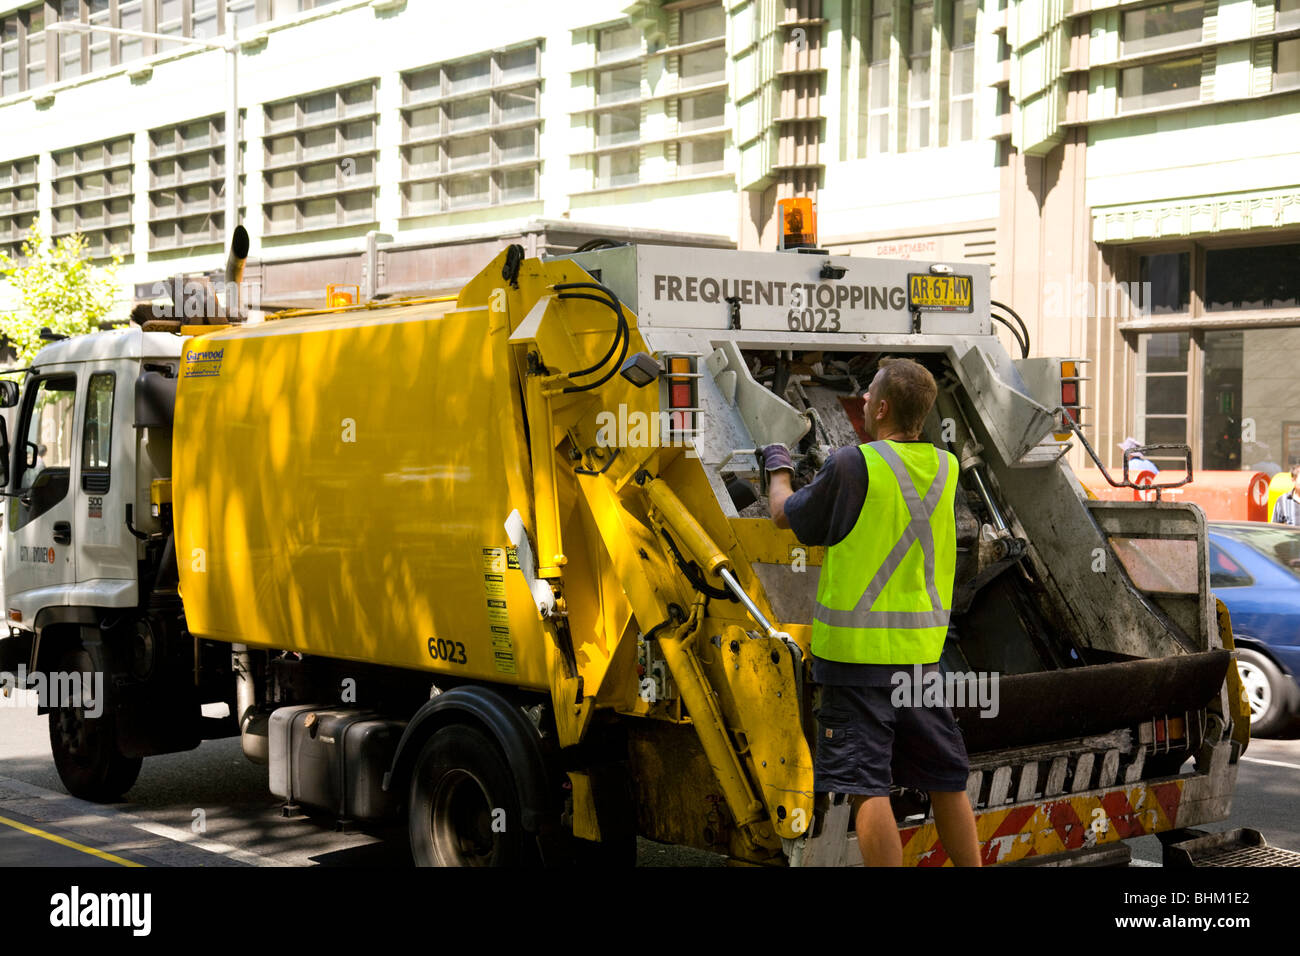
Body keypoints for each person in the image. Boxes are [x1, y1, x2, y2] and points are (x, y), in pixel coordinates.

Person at [762, 357, 980, 867]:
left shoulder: (852, 465)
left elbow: (781, 514)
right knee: (946, 779)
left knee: (867, 788)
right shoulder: (945, 469)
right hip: (921, 659)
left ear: (881, 407)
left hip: (856, 661)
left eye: (868, 395)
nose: (860, 401)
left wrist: (778, 465)